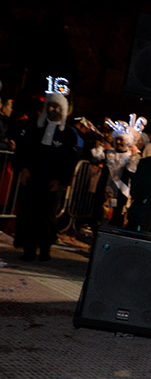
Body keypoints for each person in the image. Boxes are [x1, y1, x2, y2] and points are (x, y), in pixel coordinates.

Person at [12, 92, 78, 260]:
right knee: (28, 214)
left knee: (47, 216)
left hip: (52, 182)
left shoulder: (68, 134)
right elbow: (23, 149)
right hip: (32, 178)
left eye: (57, 107)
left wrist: (61, 180)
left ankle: (45, 249)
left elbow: (70, 160)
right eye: (51, 106)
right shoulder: (35, 128)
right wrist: (24, 169)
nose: (53, 109)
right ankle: (28, 249)